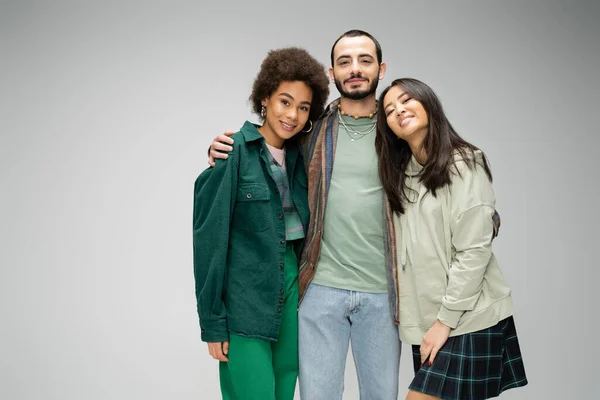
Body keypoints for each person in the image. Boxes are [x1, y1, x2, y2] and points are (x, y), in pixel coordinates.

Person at [376, 77, 527, 400]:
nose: (399, 110)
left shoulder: (464, 163)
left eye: (406, 100)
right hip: (430, 320)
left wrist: (444, 323)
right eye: (389, 110)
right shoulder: (402, 175)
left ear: (428, 103)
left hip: (468, 316)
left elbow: (474, 251)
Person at [192, 47, 329, 400]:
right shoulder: (231, 153)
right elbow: (208, 246)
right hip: (245, 297)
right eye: (285, 102)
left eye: (303, 107)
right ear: (264, 98)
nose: (293, 114)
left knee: (285, 389)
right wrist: (212, 323)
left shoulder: (305, 155)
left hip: (292, 293)